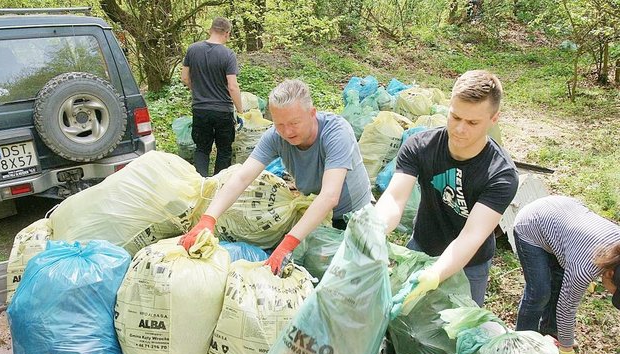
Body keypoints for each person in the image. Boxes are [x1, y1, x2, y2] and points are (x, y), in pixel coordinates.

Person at [179, 79, 372, 275]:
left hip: (355, 214)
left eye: (294, 123)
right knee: (320, 273)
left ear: (312, 113)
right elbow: (242, 178)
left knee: (355, 275)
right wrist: (208, 219)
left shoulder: (336, 133)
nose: (287, 132)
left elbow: (330, 196)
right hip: (319, 215)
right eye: (280, 124)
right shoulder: (275, 136)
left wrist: (287, 244)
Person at [377, 69, 518, 307]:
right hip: (421, 247)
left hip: (470, 266)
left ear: (494, 119)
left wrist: (435, 273)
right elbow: (394, 198)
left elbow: (472, 235)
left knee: (456, 338)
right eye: (455, 117)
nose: (460, 129)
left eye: (472, 122)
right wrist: (374, 230)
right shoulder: (421, 146)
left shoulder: (501, 174)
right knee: (403, 326)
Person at [513, 195, 620, 354]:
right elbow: (566, 309)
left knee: (560, 280)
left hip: (562, 222)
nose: (610, 293)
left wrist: (564, 341)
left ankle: (550, 331)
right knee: (539, 293)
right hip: (532, 224)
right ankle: (521, 343)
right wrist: (567, 352)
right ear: (609, 274)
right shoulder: (583, 270)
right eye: (614, 291)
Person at [181, 17, 243, 177]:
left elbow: (185, 78)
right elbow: (232, 86)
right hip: (223, 111)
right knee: (224, 150)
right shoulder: (228, 55)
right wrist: (240, 110)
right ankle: (218, 187)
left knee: (202, 149)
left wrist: (199, 91)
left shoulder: (192, 50)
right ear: (227, 33)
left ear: (211, 30)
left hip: (200, 109)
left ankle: (200, 185)